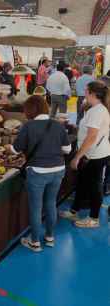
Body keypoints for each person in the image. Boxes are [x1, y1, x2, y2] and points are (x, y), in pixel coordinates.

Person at [7, 95, 71, 252]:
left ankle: (35, 242)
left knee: (36, 207)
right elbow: (67, 149)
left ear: (29, 110)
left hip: (37, 172)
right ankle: (49, 237)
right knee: (50, 203)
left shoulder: (28, 126)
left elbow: (15, 150)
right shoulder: (57, 125)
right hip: (58, 170)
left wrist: (8, 146)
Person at [60, 81, 110, 228]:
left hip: (95, 155)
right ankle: (74, 210)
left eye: (86, 91)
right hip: (92, 153)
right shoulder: (95, 109)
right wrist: (75, 126)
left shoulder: (97, 111)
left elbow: (92, 136)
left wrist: (77, 157)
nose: (84, 93)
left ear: (93, 94)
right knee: (81, 182)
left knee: (95, 186)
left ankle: (93, 218)